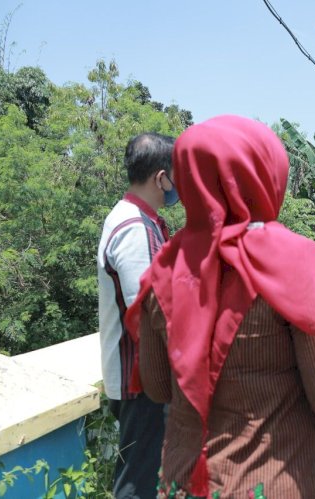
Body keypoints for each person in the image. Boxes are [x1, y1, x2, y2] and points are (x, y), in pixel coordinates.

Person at [126, 115, 315, 498]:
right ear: (266, 174)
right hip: (278, 483)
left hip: (186, 482)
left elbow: (157, 388)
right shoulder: (293, 260)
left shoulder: (165, 269)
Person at [97, 132, 178, 498]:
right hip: (141, 381)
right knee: (139, 483)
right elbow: (149, 314)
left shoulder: (139, 220)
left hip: (142, 378)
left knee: (148, 473)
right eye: (176, 175)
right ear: (161, 177)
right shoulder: (134, 228)